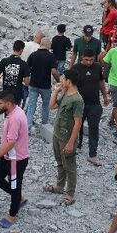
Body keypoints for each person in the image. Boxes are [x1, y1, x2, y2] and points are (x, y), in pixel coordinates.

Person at [0, 90, 29, 228]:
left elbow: (11, 143)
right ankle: (18, 197)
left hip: (16, 160)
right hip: (8, 157)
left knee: (15, 186)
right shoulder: (13, 112)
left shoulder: (15, 118)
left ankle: (12, 216)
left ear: (8, 103)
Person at [44, 69, 83, 205]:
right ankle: (60, 186)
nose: (61, 80)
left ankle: (70, 193)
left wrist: (71, 143)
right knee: (60, 162)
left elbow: (78, 123)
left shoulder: (77, 100)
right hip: (57, 134)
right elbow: (52, 105)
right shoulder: (66, 93)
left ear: (69, 81)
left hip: (67, 138)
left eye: (63, 79)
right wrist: (56, 91)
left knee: (69, 166)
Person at [70, 50, 109, 166]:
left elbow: (101, 81)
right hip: (79, 104)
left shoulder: (97, 67)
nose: (89, 62)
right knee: (78, 126)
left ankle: (92, 154)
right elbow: (70, 85)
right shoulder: (76, 68)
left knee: (93, 128)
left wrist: (105, 96)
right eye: (86, 60)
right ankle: (77, 146)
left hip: (94, 104)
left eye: (91, 60)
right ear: (82, 57)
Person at [25, 38, 59, 127]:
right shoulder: (51, 56)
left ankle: (28, 125)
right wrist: (59, 81)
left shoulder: (33, 55)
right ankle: (44, 124)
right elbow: (54, 72)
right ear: (48, 45)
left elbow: (27, 69)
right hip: (45, 85)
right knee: (46, 105)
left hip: (33, 84)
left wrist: (27, 81)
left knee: (31, 105)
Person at [0, 40, 31, 106]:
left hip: (5, 93)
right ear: (22, 50)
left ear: (13, 48)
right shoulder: (24, 64)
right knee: (15, 113)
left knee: (6, 114)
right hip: (17, 94)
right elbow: (27, 82)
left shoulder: (4, 61)